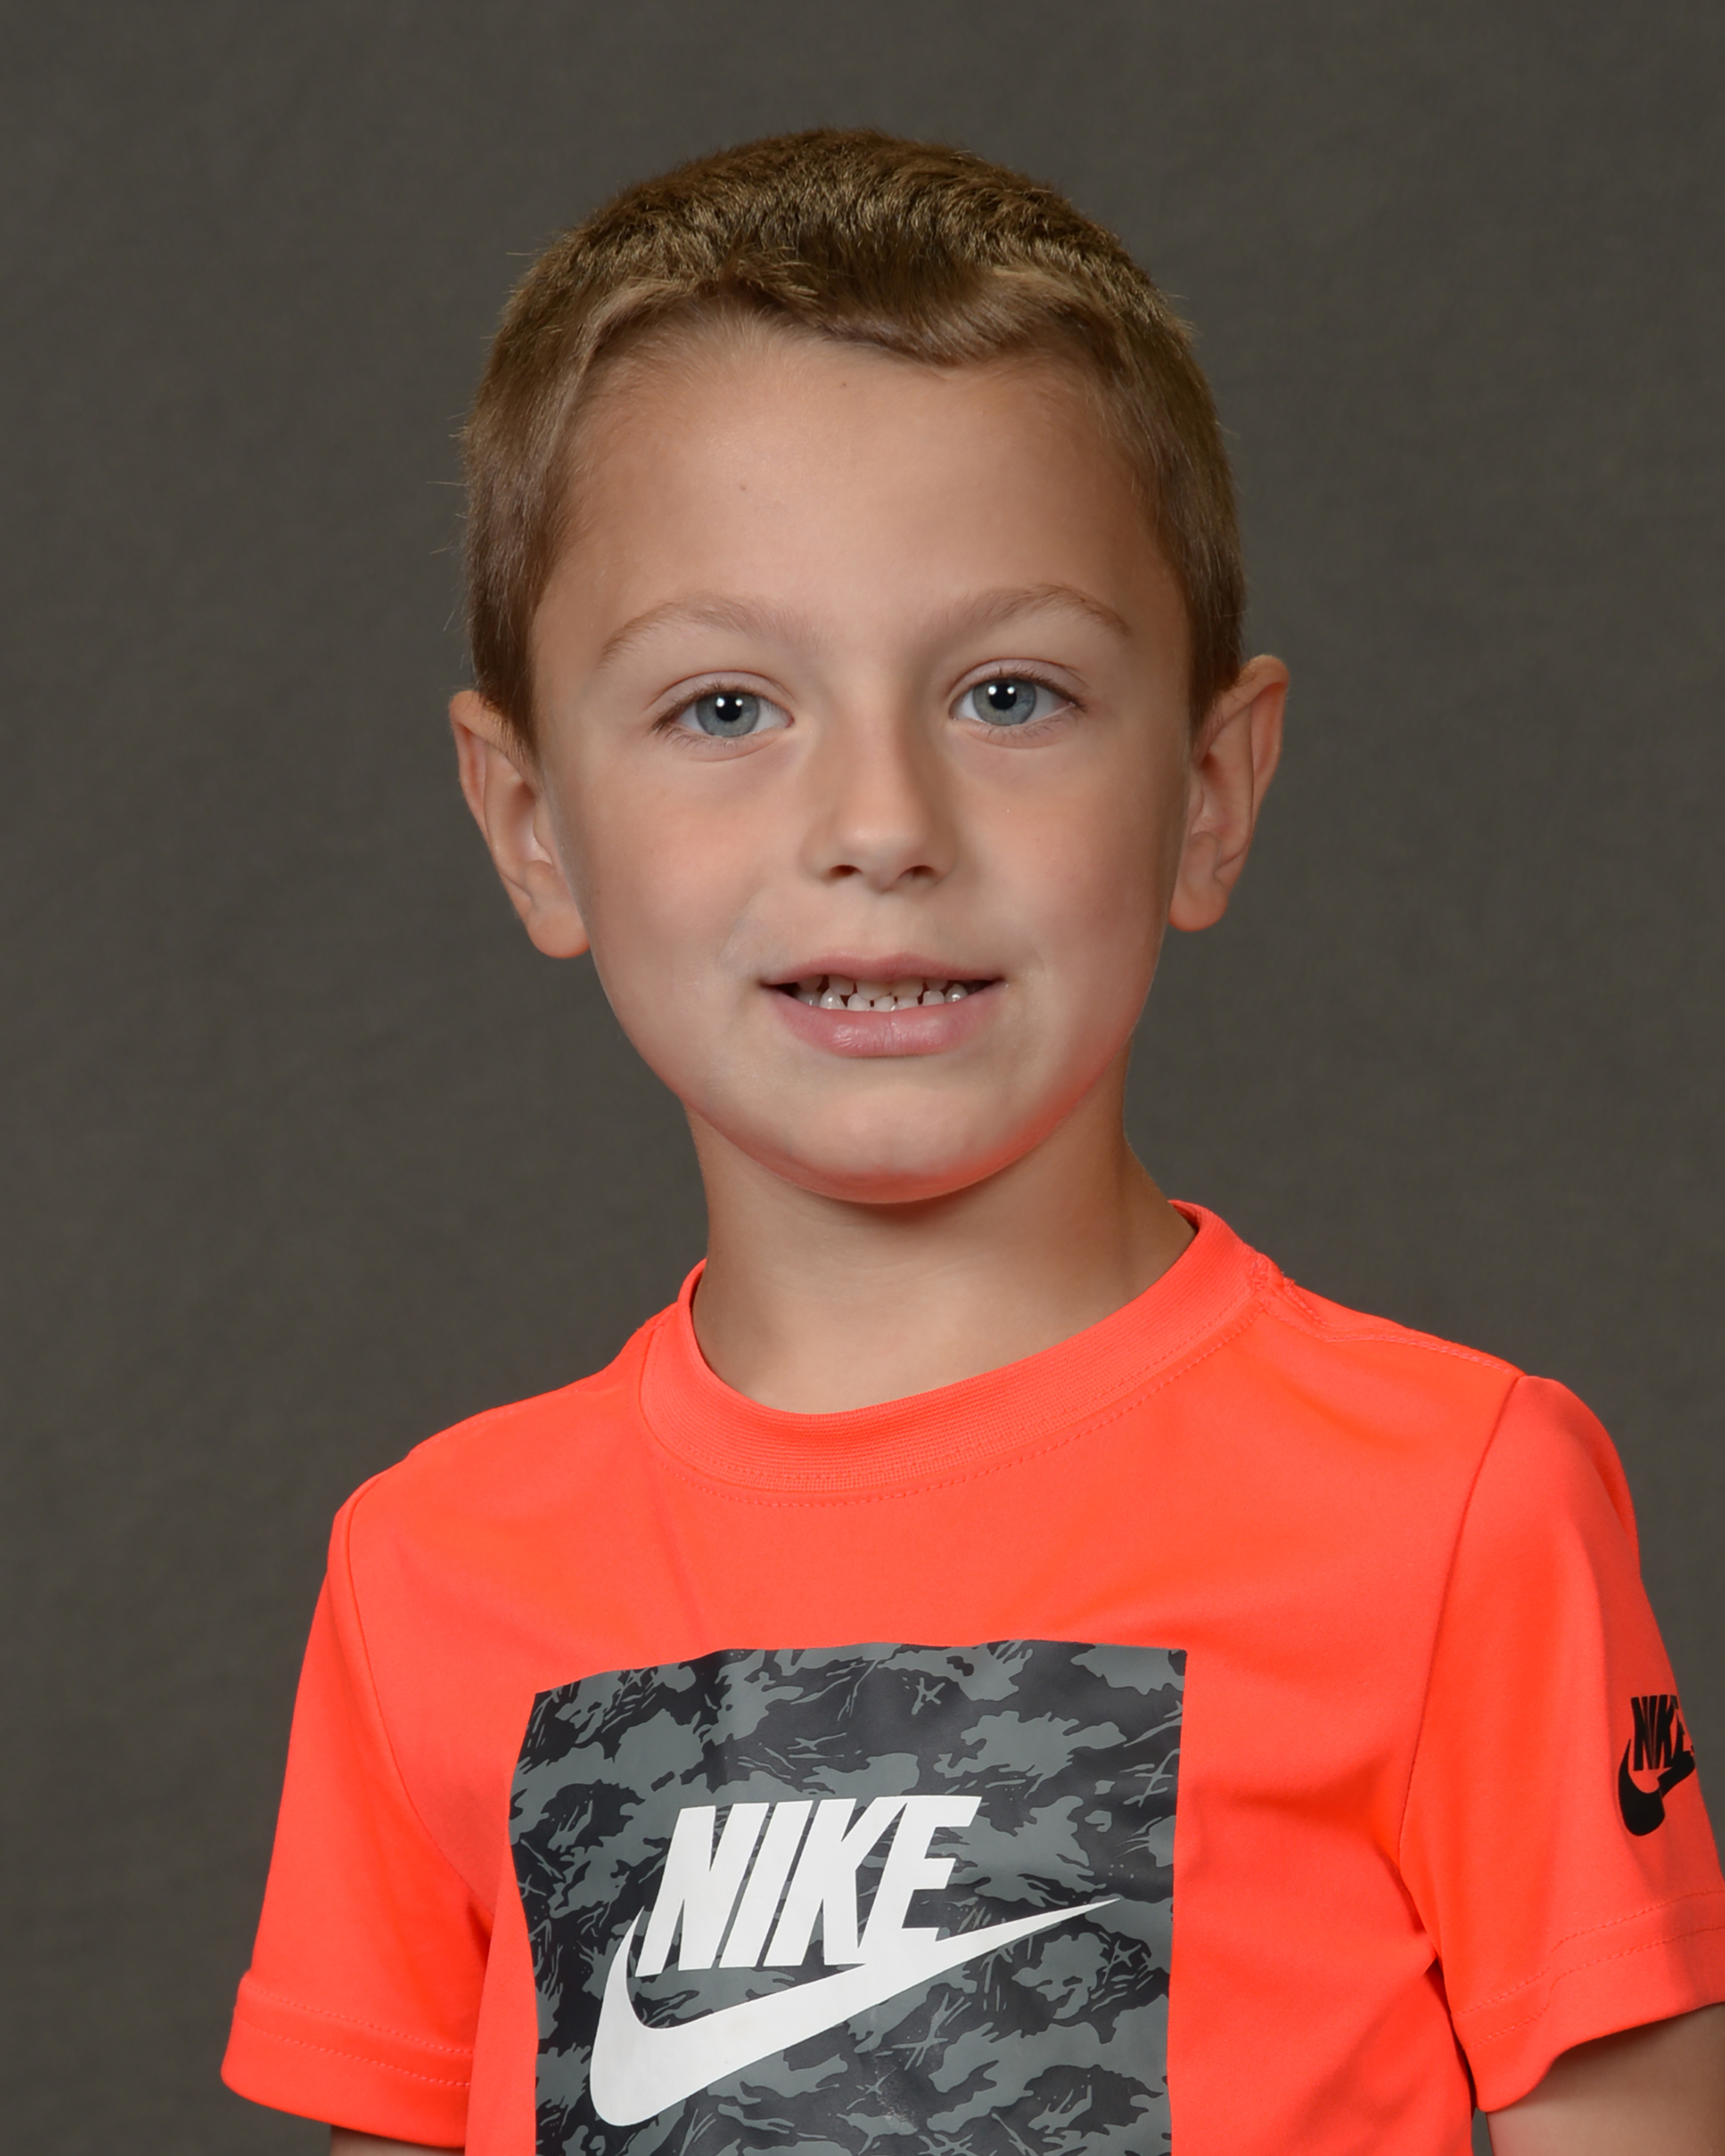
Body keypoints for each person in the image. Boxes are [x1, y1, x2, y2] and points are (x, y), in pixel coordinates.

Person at [221, 131, 1725, 2155]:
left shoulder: (1463, 1508)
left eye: (1010, 695)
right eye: (726, 708)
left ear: (1209, 792)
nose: (882, 822)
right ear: (532, 825)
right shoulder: (426, 1572)